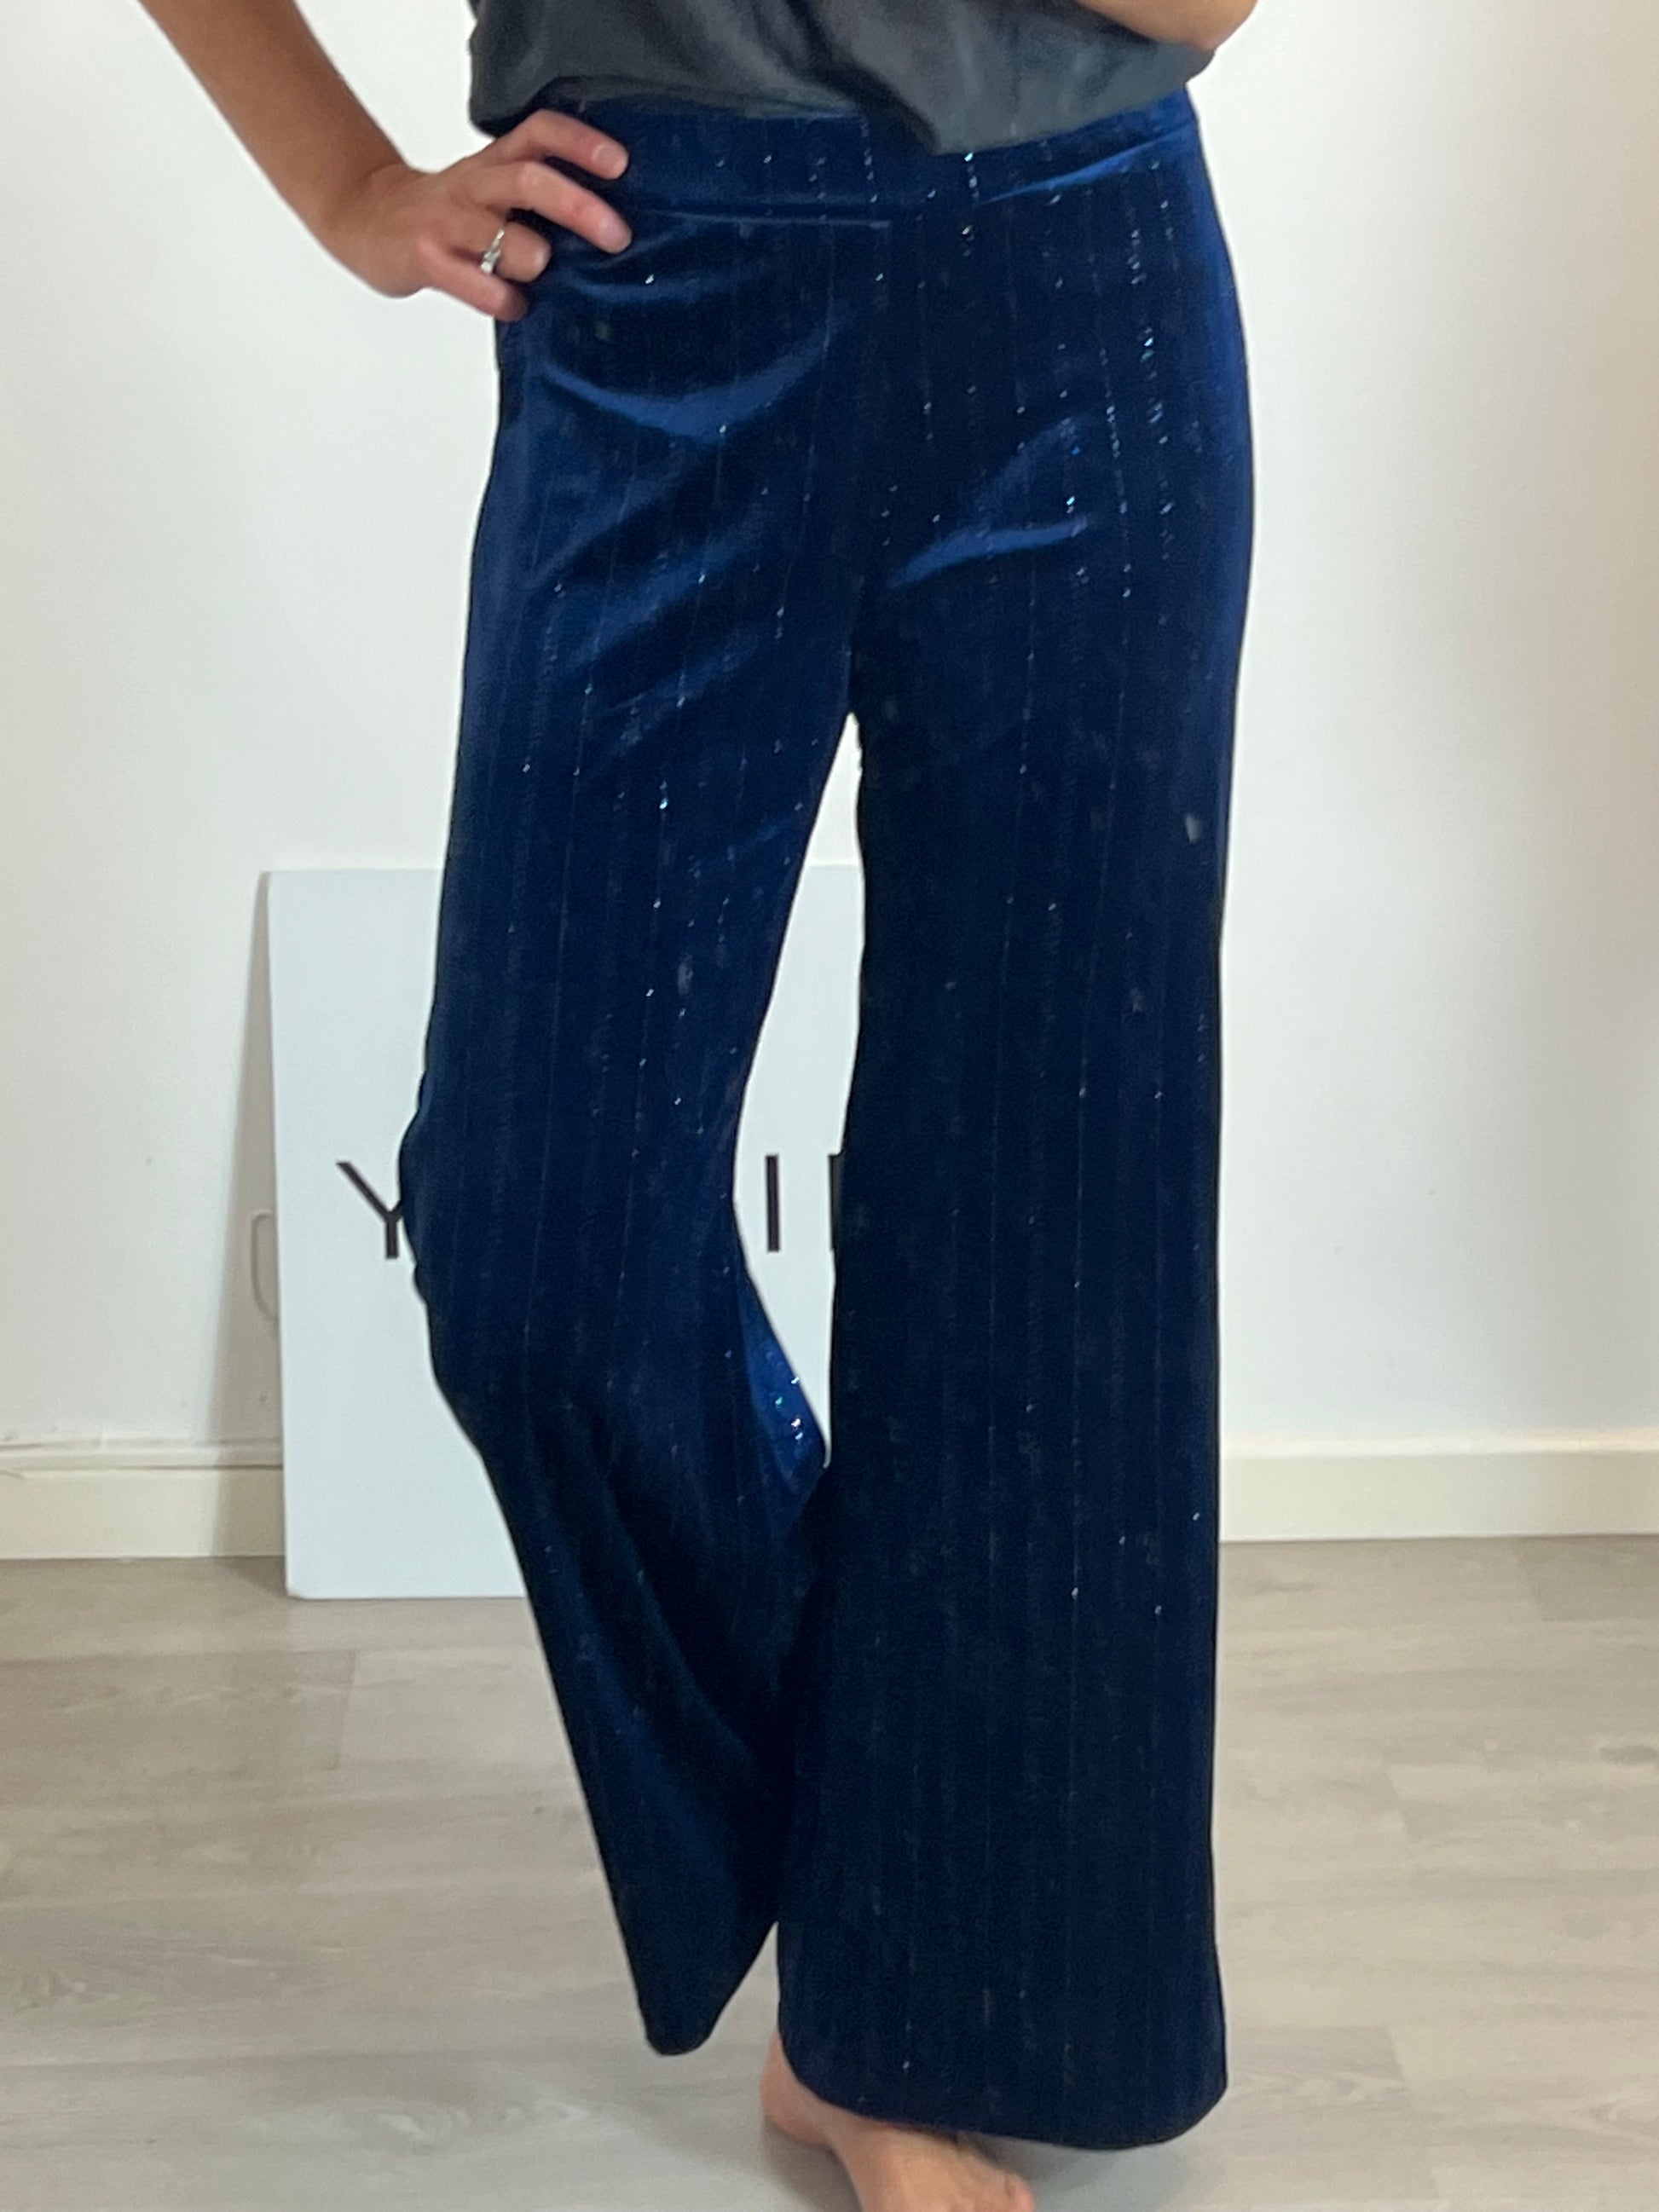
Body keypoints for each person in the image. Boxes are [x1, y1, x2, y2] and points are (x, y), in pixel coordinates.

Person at [134, 2, 1257, 2205]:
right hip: (659, 296)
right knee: (531, 1248)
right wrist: (349, 188)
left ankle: (889, 2033)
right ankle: (899, 1872)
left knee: (1043, 1232)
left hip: (1083, 289)